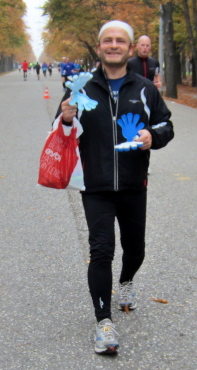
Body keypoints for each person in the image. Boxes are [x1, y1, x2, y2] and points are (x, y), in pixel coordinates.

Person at [57, 20, 174, 355]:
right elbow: (59, 131)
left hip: (134, 183)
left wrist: (153, 136)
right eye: (107, 40)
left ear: (130, 47)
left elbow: (166, 124)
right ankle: (103, 321)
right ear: (99, 47)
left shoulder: (145, 89)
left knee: (135, 249)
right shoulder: (80, 88)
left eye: (120, 41)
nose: (113, 45)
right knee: (101, 250)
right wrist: (66, 118)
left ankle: (126, 282)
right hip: (95, 185)